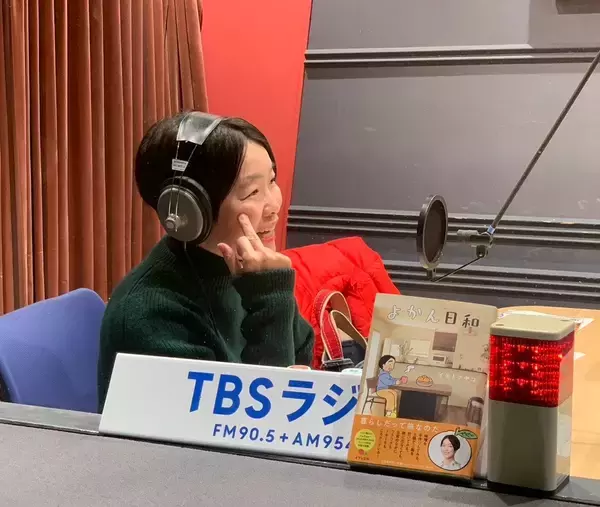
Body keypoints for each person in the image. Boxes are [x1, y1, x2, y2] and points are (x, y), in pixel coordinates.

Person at [97, 112, 314, 410]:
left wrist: (273, 299)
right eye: (252, 192)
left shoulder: (243, 269)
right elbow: (265, 416)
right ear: (190, 210)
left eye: (272, 181)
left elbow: (301, 353)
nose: (274, 205)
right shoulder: (151, 315)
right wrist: (271, 298)